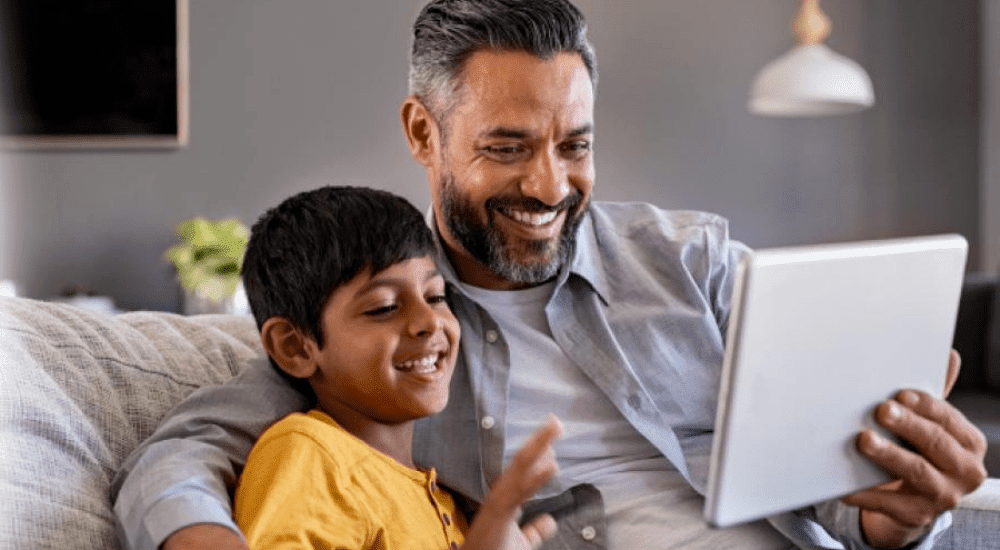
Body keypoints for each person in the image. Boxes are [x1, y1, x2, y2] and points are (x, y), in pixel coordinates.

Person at [112, 1, 988, 549]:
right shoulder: (389, 327)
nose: (547, 186)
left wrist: (899, 514)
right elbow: (182, 454)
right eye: (506, 148)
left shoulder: (697, 262)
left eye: (575, 146)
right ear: (424, 134)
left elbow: (837, 489)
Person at [231, 185, 563, 550]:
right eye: (384, 307)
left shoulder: (444, 496)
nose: (429, 321)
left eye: (436, 297)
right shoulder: (309, 455)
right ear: (294, 347)